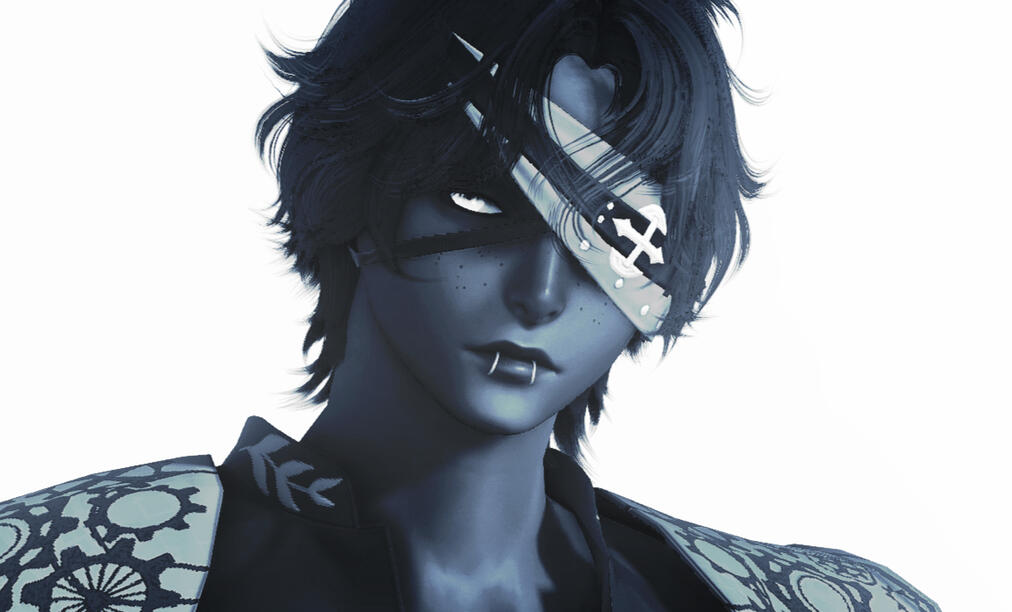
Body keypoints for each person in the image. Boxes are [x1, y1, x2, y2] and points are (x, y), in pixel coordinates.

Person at [0, 0, 939, 610]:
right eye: (481, 201)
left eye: (615, 238)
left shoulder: (822, 603)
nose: (541, 291)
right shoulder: (53, 572)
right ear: (355, 188)